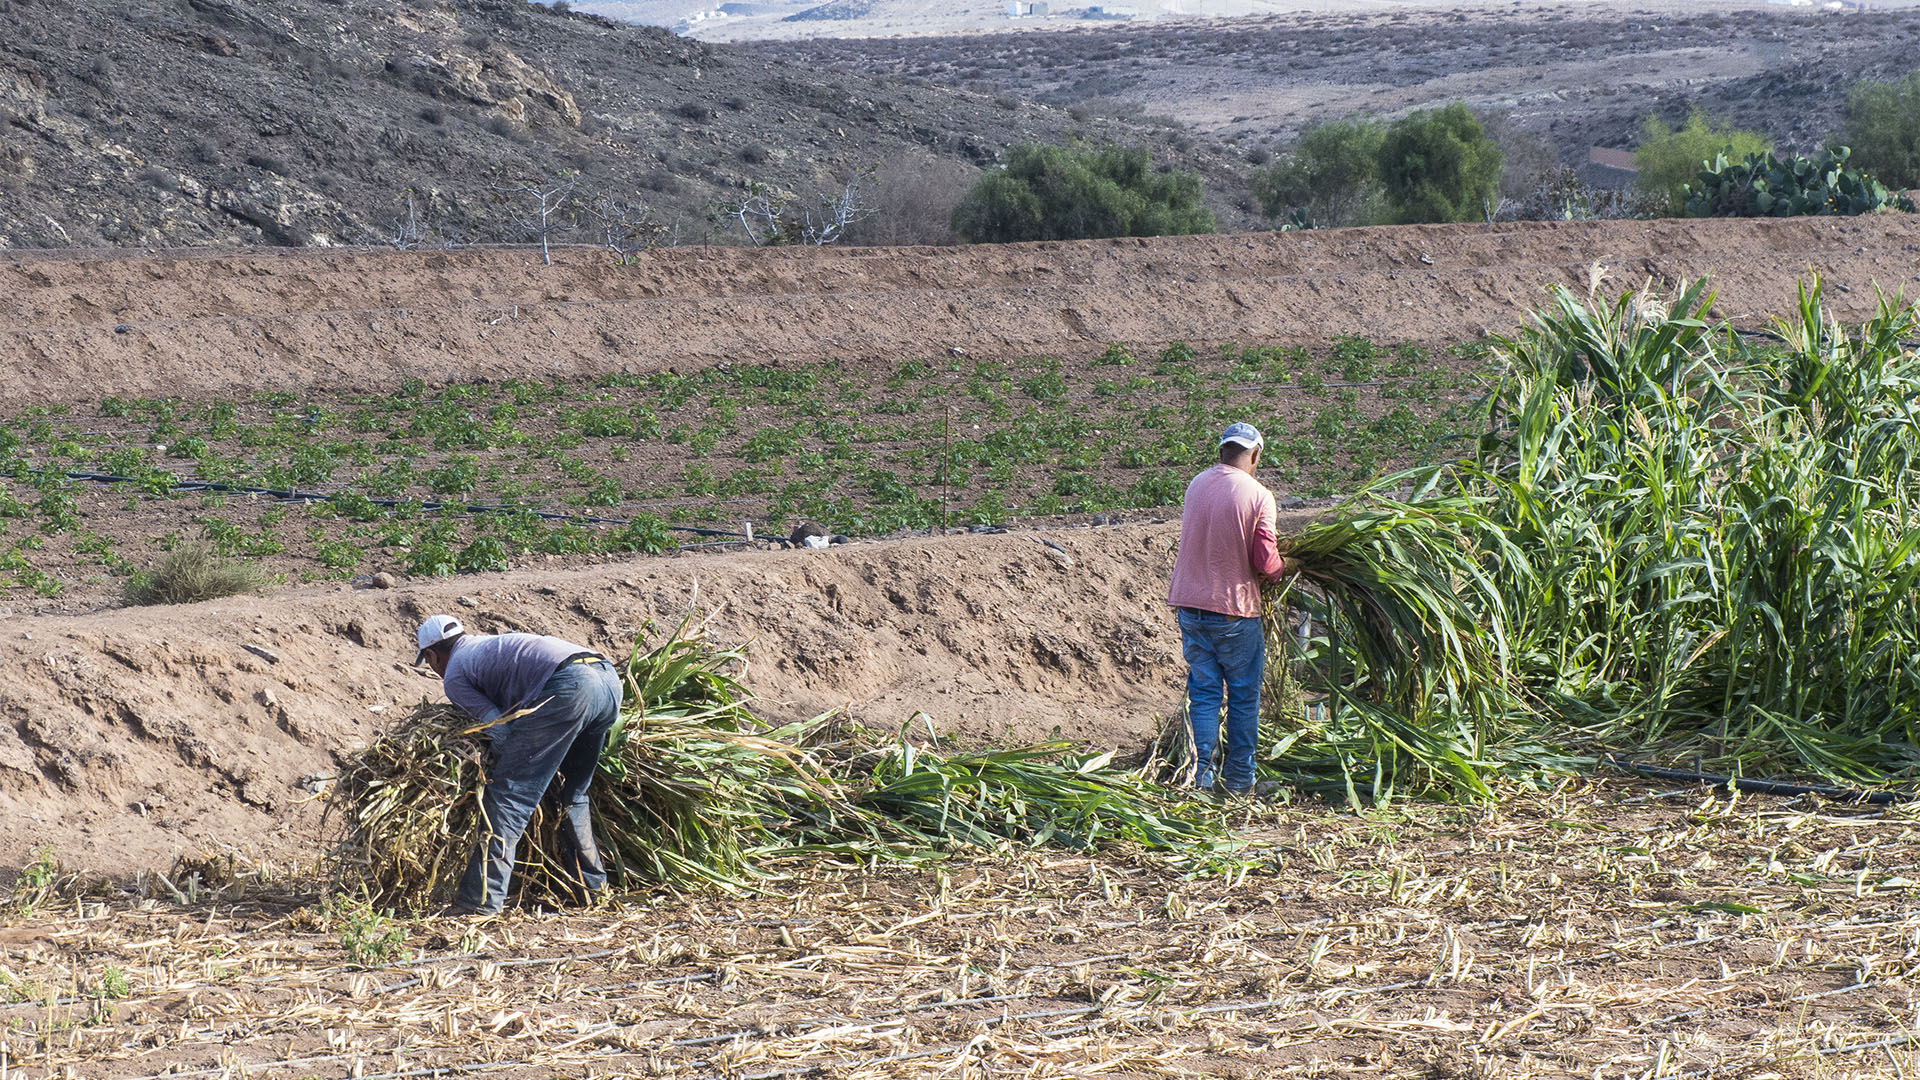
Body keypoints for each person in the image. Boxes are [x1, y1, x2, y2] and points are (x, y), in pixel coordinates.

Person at [413, 614, 622, 915]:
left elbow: (500, 729)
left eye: (430, 662)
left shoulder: (455, 674)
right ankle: (594, 890)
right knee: (572, 795)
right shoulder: (485, 646)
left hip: (569, 689)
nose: (434, 668)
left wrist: (498, 762)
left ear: (432, 655)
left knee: (508, 797)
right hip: (607, 681)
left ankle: (479, 902)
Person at [1166, 422, 1291, 797]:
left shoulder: (1196, 484)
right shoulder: (1258, 495)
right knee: (1242, 696)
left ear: (1222, 451)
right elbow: (1265, 560)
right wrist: (1283, 569)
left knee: (1203, 692)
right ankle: (1239, 780)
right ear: (1254, 455)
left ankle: (1199, 778)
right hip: (1234, 611)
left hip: (1189, 605)